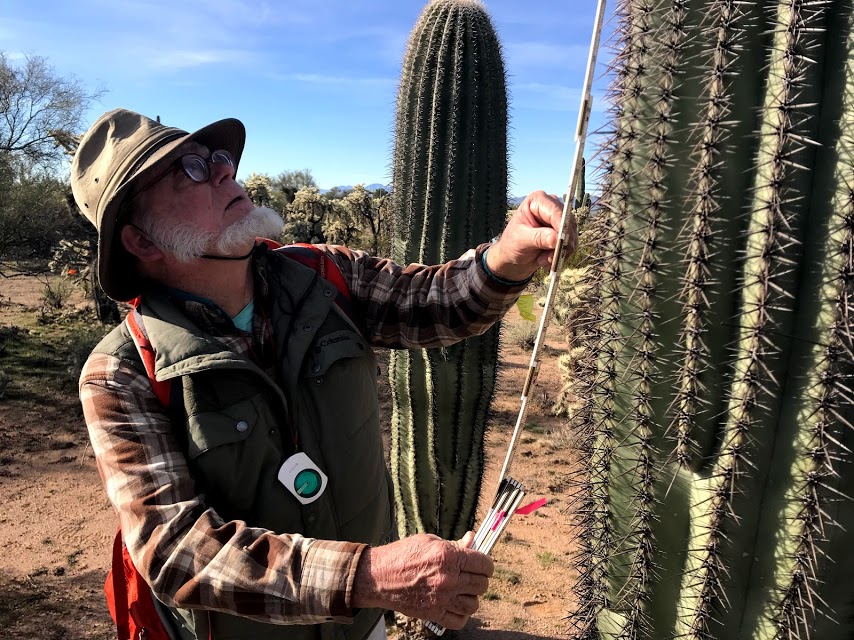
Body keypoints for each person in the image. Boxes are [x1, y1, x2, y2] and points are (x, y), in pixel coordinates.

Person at [73, 108, 575, 640]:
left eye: (216, 157)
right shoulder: (121, 372)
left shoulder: (323, 275)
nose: (224, 171)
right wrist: (370, 577)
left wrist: (508, 255)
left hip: (364, 628)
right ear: (143, 241)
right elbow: (176, 551)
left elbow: (437, 302)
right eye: (188, 171)